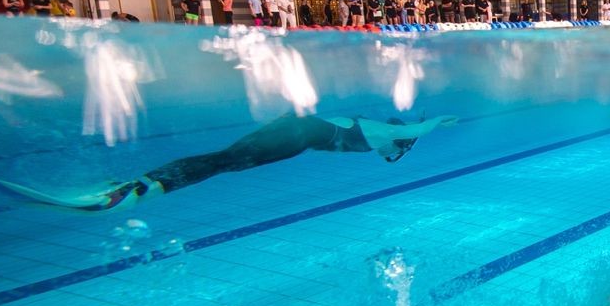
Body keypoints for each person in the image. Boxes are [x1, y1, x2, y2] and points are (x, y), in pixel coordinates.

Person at [75, 114, 460, 210]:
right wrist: (439, 122)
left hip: (293, 131)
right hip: (296, 134)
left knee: (224, 160)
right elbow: (419, 127)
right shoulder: (388, 133)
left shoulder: (378, 136)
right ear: (401, 139)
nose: (394, 157)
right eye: (402, 149)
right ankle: (146, 186)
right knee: (223, 161)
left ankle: (142, 181)